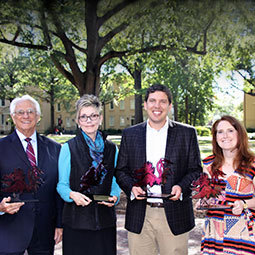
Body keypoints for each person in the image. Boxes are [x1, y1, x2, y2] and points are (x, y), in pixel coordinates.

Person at [115, 84, 202, 255]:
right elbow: (120, 171)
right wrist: (131, 187)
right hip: (141, 214)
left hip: (174, 214)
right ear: (145, 105)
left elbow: (195, 170)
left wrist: (181, 187)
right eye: (152, 101)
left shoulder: (187, 133)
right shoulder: (130, 134)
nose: (157, 106)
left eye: (163, 102)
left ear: (170, 106)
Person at [57, 94, 121, 255]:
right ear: (78, 121)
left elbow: (115, 179)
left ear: (100, 118)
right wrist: (72, 195)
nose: (89, 120)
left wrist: (115, 195)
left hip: (105, 221)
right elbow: (61, 185)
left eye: (93, 115)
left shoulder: (112, 149)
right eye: (83, 117)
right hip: (77, 222)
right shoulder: (68, 148)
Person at [0, 95, 63, 255]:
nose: (26, 116)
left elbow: (59, 188)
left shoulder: (55, 149)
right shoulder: (1, 147)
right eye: (20, 112)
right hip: (9, 229)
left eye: (30, 112)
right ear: (13, 117)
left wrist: (60, 224)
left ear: (38, 116)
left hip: (44, 230)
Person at [200, 115, 255, 254]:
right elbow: (204, 195)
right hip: (214, 232)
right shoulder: (208, 164)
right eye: (220, 131)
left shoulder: (252, 164)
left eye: (230, 130)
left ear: (239, 133)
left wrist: (244, 204)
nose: (225, 135)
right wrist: (202, 201)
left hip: (243, 232)